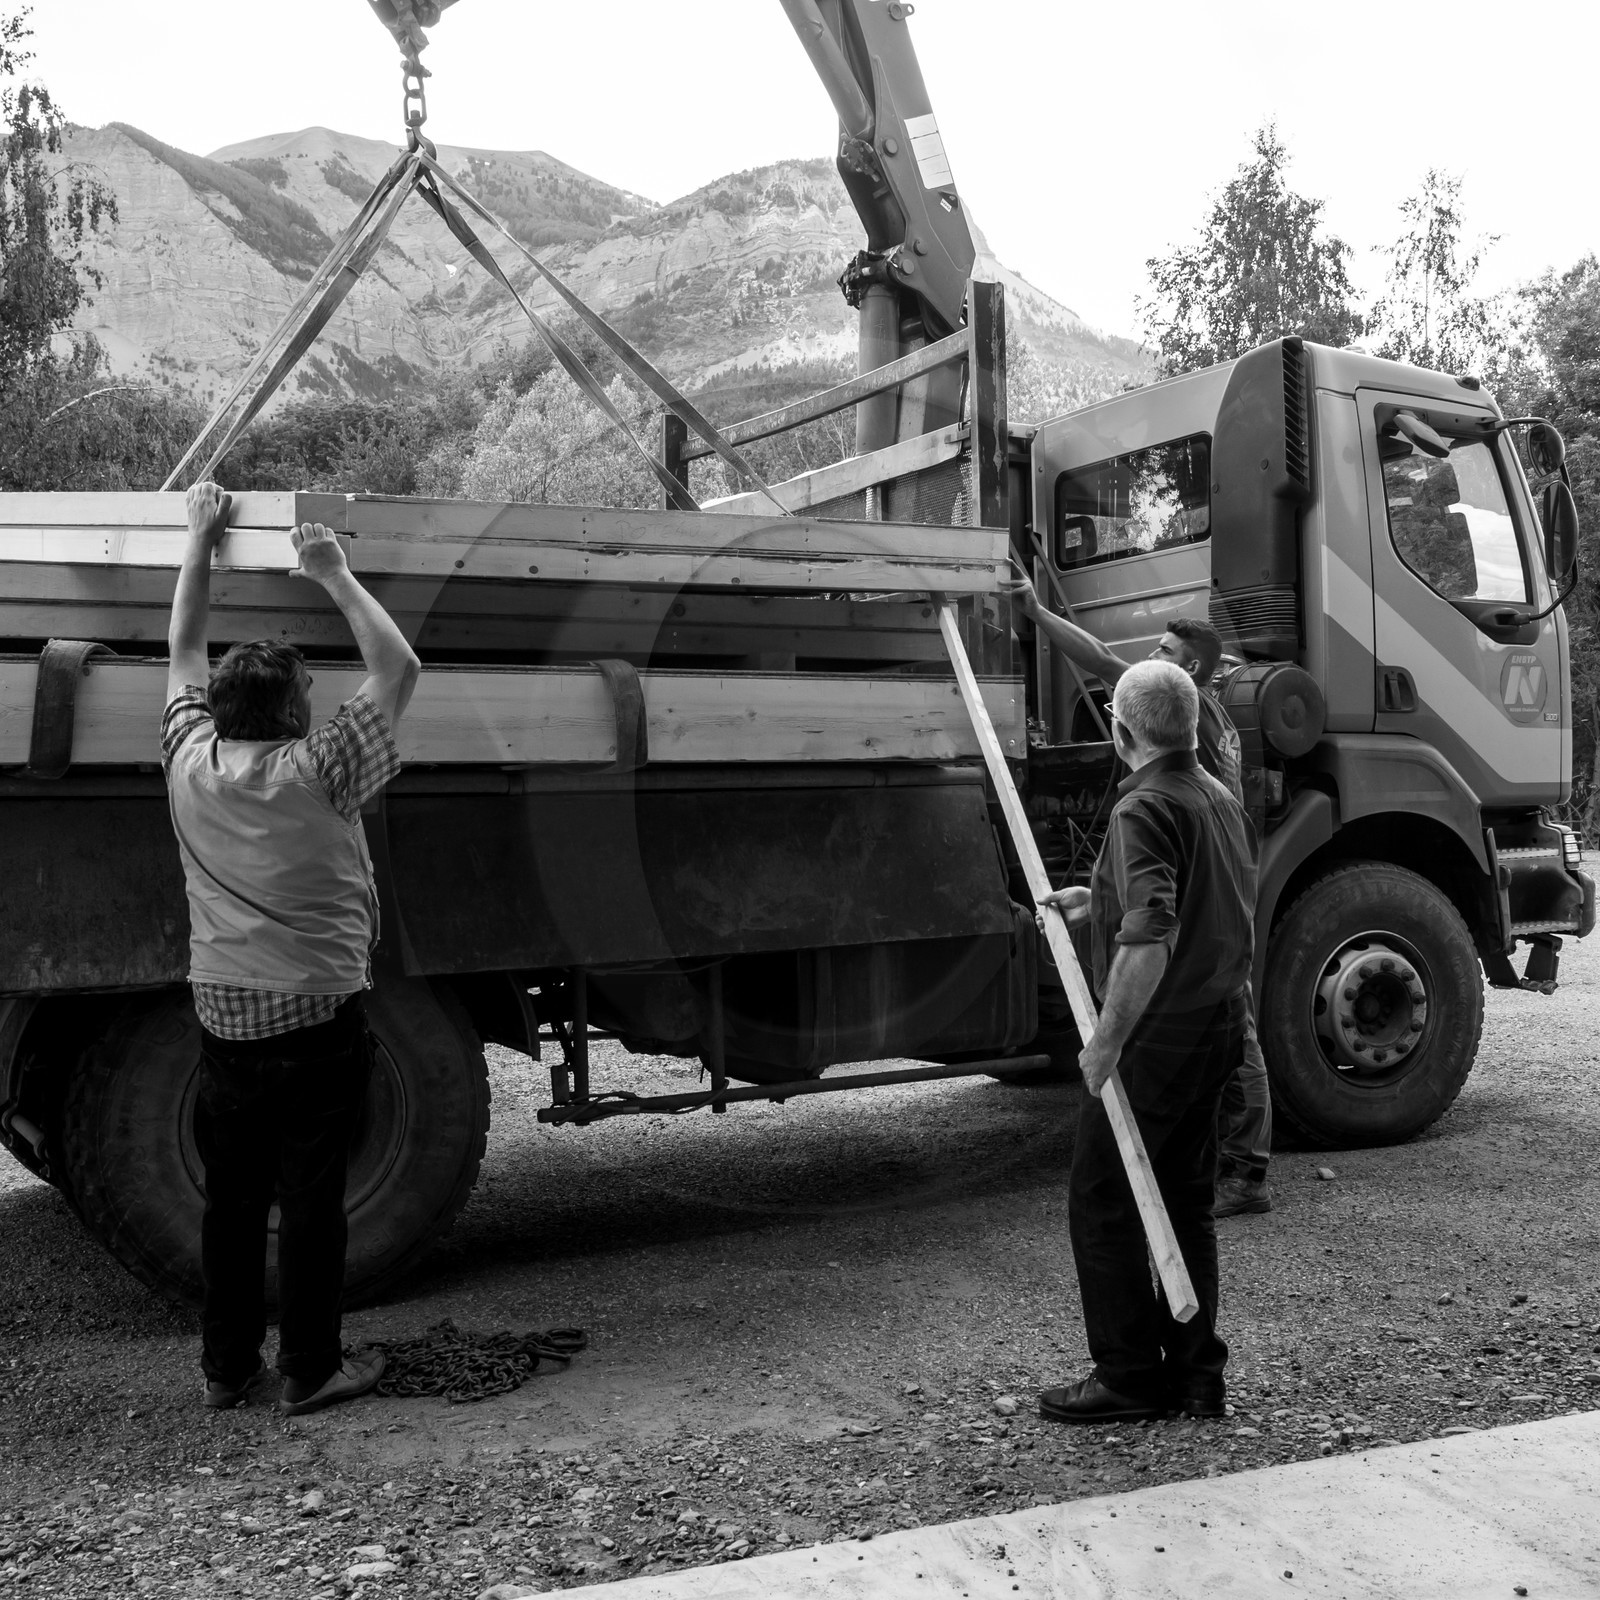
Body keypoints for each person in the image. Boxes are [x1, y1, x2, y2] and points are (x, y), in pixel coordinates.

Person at [163, 481, 420, 1415]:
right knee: (312, 1197)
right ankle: (311, 1369)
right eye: (309, 696)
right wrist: (332, 572)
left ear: (222, 707)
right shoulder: (322, 771)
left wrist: (200, 541)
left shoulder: (188, 758)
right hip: (317, 1016)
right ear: (294, 716)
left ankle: (227, 1369)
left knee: (231, 1200)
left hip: (224, 1015)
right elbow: (399, 667)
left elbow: (183, 649)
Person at [1001, 571, 1273, 1216]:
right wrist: (1100, 899)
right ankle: (1232, 1166)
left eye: (1165, 651)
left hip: (1203, 892)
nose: (1153, 656)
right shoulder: (1206, 719)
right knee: (1232, 1018)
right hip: (1215, 882)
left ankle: (1246, 1171)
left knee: (1234, 1032)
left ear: (1192, 669)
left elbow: (1101, 661)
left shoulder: (1179, 712)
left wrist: (1035, 612)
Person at [1034, 660, 1258, 1423]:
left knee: (1104, 1199)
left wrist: (1105, 1043)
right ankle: (1197, 1377)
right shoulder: (1216, 795)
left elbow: (1154, 936)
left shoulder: (1145, 806)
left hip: (1162, 1035)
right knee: (1185, 1201)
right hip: (1218, 1023)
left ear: (1121, 731)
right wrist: (1099, 898)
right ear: (1190, 726)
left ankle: (1128, 1377)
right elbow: (1190, 901)